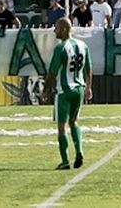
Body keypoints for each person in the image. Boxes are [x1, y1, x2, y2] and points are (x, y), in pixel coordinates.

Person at [43, 19, 92, 171]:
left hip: (64, 90)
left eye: (56, 28)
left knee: (61, 127)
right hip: (80, 88)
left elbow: (52, 72)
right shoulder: (83, 45)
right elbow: (89, 68)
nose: (54, 31)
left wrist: (45, 90)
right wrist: (89, 87)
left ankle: (65, 161)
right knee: (74, 122)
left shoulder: (61, 48)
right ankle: (79, 151)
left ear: (64, 29)